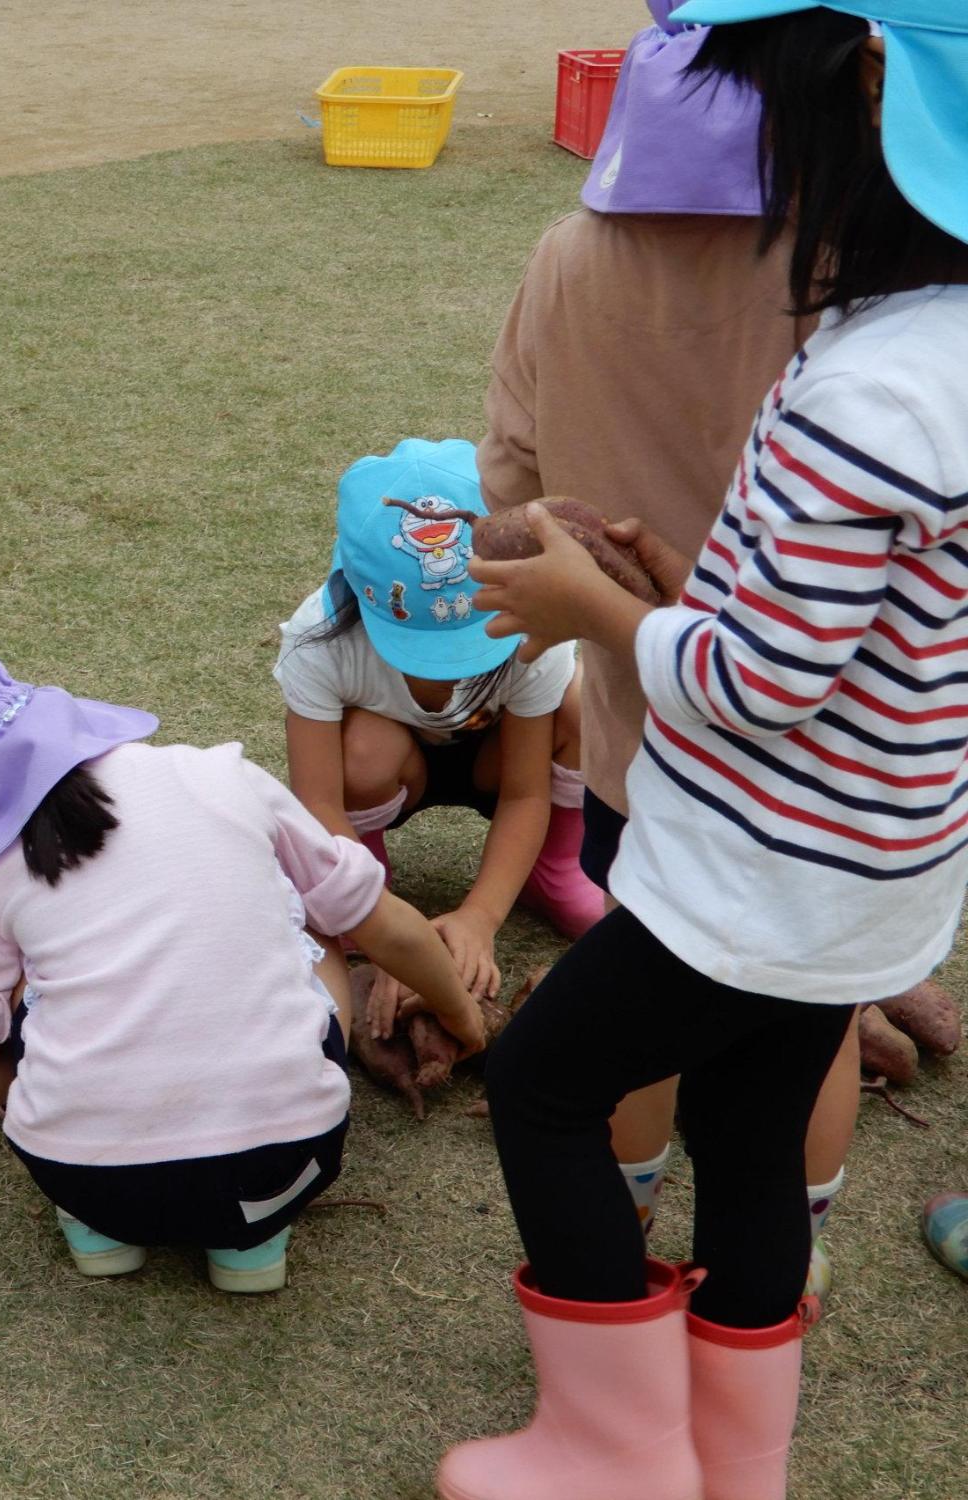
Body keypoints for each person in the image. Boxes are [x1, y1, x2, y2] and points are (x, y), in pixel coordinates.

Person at [439, 8, 968, 1499]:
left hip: (761, 867)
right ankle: (740, 1460)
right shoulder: (939, 349)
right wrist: (685, 583)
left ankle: (615, 1453)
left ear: (862, 116)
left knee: (539, 1085)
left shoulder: (862, 389)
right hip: (874, 869)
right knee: (749, 1142)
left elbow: (759, 686)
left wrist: (595, 608)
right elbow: (859, 629)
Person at [481, 0, 854, 1298]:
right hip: (823, 766)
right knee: (808, 1034)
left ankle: (620, 1226)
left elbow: (511, 486)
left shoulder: (565, 256)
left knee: (630, 1004)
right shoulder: (848, 281)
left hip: (645, 739)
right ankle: (784, 1268)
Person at [0, 653, 486, 1292]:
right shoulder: (218, 774)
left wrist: (46, 1075)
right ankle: (250, 1248)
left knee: (34, 979)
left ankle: (101, 1237)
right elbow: (385, 926)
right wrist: (459, 1012)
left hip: (86, 1183)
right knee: (321, 927)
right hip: (285, 1168)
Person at [276, 438, 594, 1026]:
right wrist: (385, 929)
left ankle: (554, 869)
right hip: (394, 766)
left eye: (465, 649)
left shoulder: (531, 628)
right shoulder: (318, 640)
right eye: (420, 652)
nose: (447, 671)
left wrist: (481, 916)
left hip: (493, 758)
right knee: (364, 753)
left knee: (579, 709)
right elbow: (318, 801)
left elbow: (525, 792)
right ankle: (369, 882)